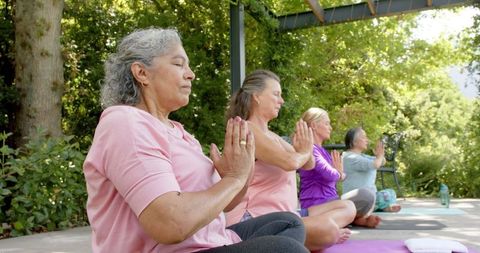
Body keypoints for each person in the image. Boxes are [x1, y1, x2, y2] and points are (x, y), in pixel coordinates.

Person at [83, 28, 310, 253]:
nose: (190, 74)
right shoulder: (125, 123)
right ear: (142, 73)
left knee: (288, 223)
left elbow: (224, 205)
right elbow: (170, 224)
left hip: (214, 239)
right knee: (286, 248)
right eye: (179, 64)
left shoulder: (181, 134)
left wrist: (242, 172)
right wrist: (233, 178)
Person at [224, 69, 356, 251]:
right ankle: (305, 236)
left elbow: (307, 164)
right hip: (255, 220)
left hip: (285, 216)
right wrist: (302, 151)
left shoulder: (272, 136)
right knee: (329, 231)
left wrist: (304, 149)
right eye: (276, 94)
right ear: (257, 96)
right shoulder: (247, 129)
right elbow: (291, 162)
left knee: (348, 208)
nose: (281, 100)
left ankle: (304, 235)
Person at [298, 107, 381, 228]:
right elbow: (331, 174)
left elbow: (336, 175)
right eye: (327, 123)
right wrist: (340, 174)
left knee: (367, 196)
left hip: (331, 201)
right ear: (314, 125)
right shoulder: (310, 149)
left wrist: (339, 174)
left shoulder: (322, 151)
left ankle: (349, 219)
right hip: (316, 205)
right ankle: (345, 221)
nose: (330, 127)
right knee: (361, 198)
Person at [342, 127, 402, 212]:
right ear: (354, 142)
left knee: (391, 192)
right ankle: (378, 207)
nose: (367, 140)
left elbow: (382, 162)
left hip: (367, 197)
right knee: (386, 195)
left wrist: (379, 156)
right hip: (356, 199)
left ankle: (380, 207)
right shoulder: (350, 158)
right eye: (363, 137)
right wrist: (380, 156)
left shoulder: (362, 156)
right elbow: (376, 164)